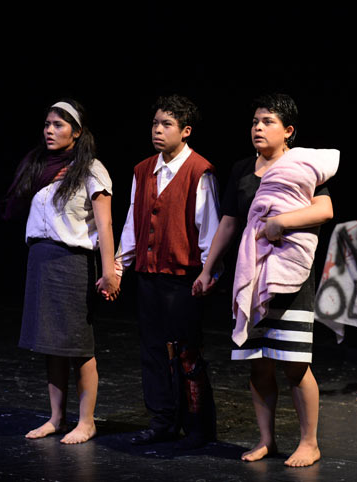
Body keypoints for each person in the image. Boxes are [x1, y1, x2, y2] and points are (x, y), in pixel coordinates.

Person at [193, 93, 335, 467]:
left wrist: (281, 222)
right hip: (253, 274)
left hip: (289, 278)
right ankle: (266, 440)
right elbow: (229, 223)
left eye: (268, 121)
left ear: (288, 130)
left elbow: (324, 210)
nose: (258, 127)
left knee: (295, 363)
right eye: (255, 121)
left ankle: (309, 443)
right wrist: (208, 269)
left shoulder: (300, 166)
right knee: (259, 361)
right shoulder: (242, 169)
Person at [0, 99, 119, 444]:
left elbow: (105, 224)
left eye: (59, 125)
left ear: (77, 132)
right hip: (41, 258)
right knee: (51, 344)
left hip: (72, 261)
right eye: (47, 124)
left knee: (77, 346)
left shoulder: (91, 169)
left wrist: (110, 271)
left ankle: (86, 422)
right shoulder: (39, 165)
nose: (49, 131)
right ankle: (56, 418)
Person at [112, 95, 220, 449]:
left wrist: (208, 272)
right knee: (153, 350)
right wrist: (118, 266)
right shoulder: (143, 170)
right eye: (155, 123)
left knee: (186, 352)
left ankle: (198, 427)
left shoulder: (199, 171)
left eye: (167, 124)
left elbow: (209, 228)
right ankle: (162, 421)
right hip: (148, 274)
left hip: (183, 277)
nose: (157, 130)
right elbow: (133, 221)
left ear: (185, 131)